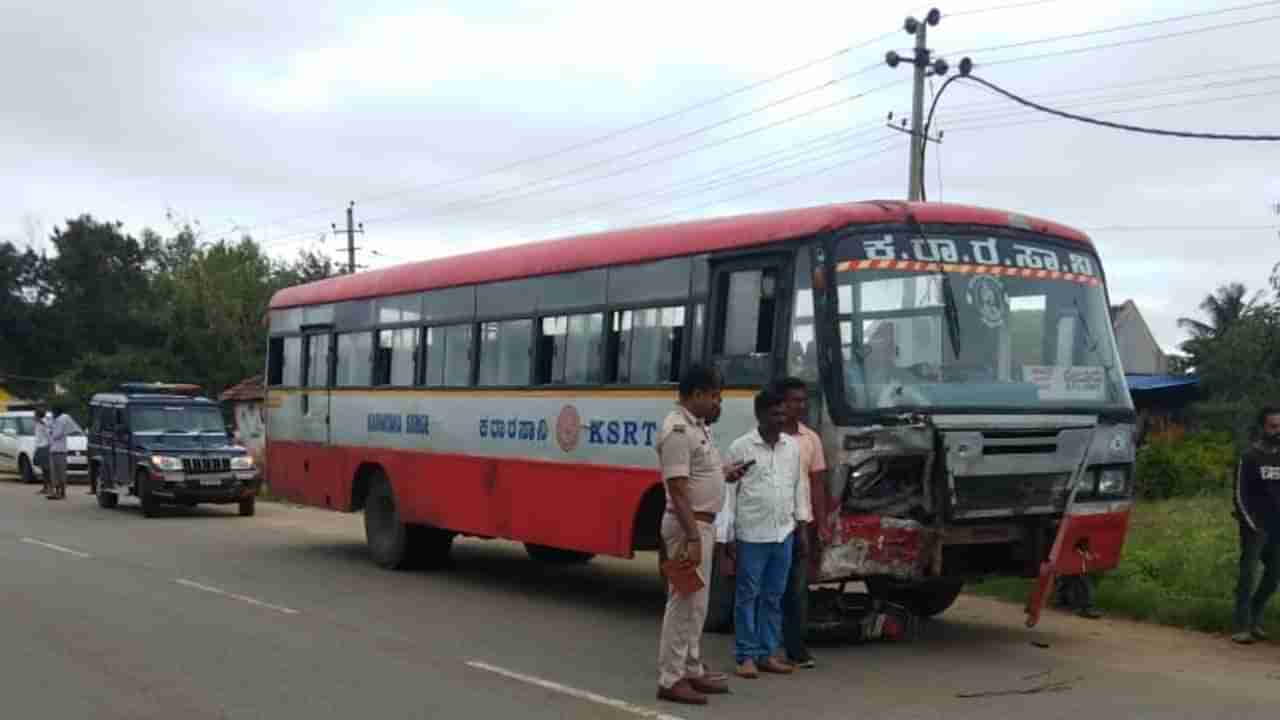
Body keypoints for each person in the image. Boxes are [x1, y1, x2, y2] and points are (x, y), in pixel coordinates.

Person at [654, 365, 748, 706]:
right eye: (713, 396)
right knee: (683, 603)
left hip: (701, 525)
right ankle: (670, 678)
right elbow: (678, 491)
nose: (717, 402)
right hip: (688, 527)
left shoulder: (698, 429)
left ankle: (691, 668)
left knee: (697, 605)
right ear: (696, 395)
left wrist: (724, 474)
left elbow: (697, 475)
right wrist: (693, 538)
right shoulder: (678, 430)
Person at [724, 388, 808, 679]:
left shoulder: (792, 448)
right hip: (751, 534)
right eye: (774, 414)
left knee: (774, 596)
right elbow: (729, 495)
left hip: (783, 533)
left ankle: (767, 653)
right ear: (759, 415)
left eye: (783, 413)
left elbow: (798, 487)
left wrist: (801, 526)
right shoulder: (741, 447)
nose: (780, 419)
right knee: (748, 596)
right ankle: (745, 656)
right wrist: (729, 536)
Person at [774, 377, 825, 668]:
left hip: (800, 524)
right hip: (769, 523)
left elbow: (817, 483)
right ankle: (766, 646)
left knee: (797, 588)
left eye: (804, 400)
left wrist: (819, 521)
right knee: (769, 588)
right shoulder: (767, 437)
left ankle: (796, 648)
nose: (801, 406)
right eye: (795, 400)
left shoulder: (811, 439)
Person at [1231, 406, 1280, 644]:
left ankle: (1254, 613)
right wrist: (1250, 523)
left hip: (1277, 528)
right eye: (1273, 426)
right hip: (1254, 527)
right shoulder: (1249, 457)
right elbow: (1240, 494)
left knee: (1274, 576)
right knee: (1248, 574)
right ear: (1262, 427)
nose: (1278, 431)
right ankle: (1241, 626)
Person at [47, 404, 84, 501]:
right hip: (52, 450)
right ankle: (56, 492)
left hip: (61, 450)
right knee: (54, 473)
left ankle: (62, 492)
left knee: (61, 472)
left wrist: (51, 432)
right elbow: (49, 432)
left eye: (54, 412)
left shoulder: (63, 420)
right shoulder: (53, 421)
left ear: (57, 412)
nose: (52, 414)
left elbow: (57, 434)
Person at [33, 408, 51, 495]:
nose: (33, 416)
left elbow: (48, 435)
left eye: (35, 414)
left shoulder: (44, 423)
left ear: (38, 415)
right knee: (42, 467)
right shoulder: (37, 423)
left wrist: (49, 445)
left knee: (46, 469)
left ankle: (48, 487)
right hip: (39, 446)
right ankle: (46, 487)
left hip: (44, 447)